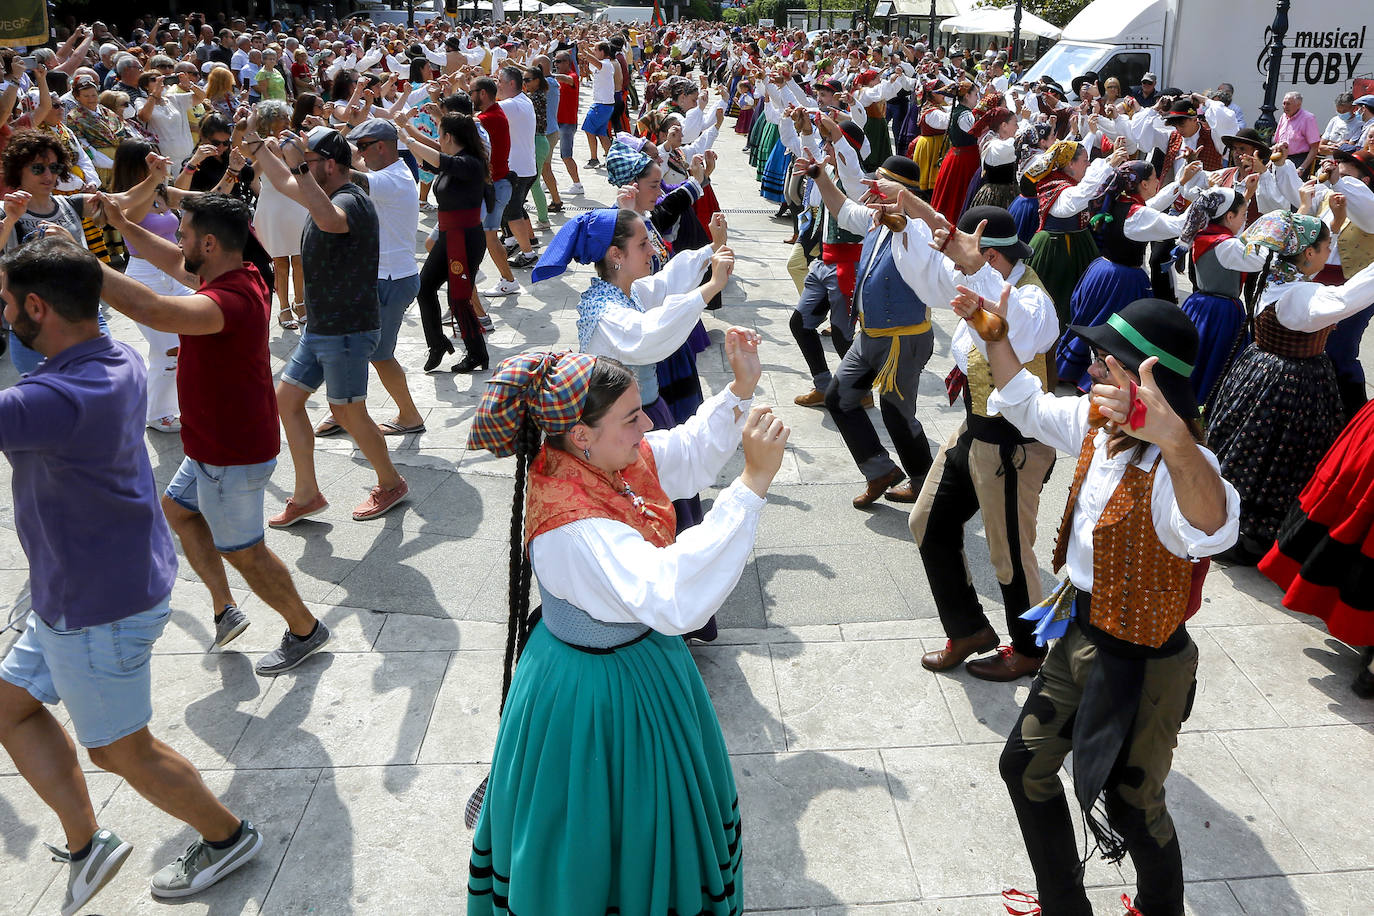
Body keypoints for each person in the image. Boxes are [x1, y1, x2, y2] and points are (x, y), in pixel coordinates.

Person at [463, 333, 785, 915]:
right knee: (604, 812)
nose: (644, 430)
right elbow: (669, 593)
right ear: (581, 434)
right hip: (595, 692)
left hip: (636, 665)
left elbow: (679, 452)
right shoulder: (574, 526)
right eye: (631, 418)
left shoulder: (599, 458)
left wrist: (738, 388)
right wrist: (751, 486)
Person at [0, 237, 263, 916]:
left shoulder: (52, 398)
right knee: (10, 705)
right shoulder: (113, 357)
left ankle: (227, 836)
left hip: (95, 607)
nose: (2, 314)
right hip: (92, 585)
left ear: (36, 306)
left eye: (6, 302)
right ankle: (89, 843)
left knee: (122, 751)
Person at [983, 292, 1239, 916]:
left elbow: (1215, 525)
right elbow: (1028, 405)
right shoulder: (1099, 427)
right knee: (1025, 768)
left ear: (1145, 378)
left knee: (1132, 803)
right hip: (1079, 631)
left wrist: (1174, 440)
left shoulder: (1184, 464)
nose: (1090, 367)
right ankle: (1066, 906)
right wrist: (989, 331)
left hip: (1143, 662)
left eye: (1106, 360)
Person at [901, 206, 1059, 682]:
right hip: (975, 431)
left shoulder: (1033, 298)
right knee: (927, 522)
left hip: (1013, 445)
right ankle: (968, 629)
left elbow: (1024, 334)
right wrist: (906, 215)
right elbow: (927, 282)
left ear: (989, 254)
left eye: (966, 255)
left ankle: (1030, 650)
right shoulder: (981, 277)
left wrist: (978, 270)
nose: (955, 264)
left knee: (1009, 552)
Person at [256, 125, 409, 524]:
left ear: (328, 164)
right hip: (321, 328)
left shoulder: (351, 200)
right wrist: (256, 143)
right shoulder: (320, 190)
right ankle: (306, 493)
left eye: (307, 162)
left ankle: (391, 483)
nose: (299, 169)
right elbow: (281, 179)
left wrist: (299, 170)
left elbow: (330, 221)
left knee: (347, 413)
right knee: (287, 403)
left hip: (347, 328)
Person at [1208, 211, 1374, 565]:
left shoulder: (1273, 277)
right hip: (1291, 386)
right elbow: (1343, 301)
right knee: (1280, 459)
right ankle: (1256, 537)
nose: (1331, 251)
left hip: (1258, 371)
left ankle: (1229, 520)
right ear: (1308, 254)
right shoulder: (1301, 296)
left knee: (1248, 449)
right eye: (1326, 245)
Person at [317, 118, 427, 431]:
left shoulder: (391, 180)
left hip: (390, 281)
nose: (360, 154)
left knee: (378, 353)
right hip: (380, 278)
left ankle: (408, 416)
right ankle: (344, 410)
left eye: (364, 147)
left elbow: (341, 175)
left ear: (381, 146)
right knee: (355, 347)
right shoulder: (388, 172)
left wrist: (309, 159)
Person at [0, 129, 108, 375]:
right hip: (32, 327)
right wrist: (9, 220)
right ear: (19, 170)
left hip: (82, 317)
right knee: (46, 407)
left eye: (55, 167)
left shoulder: (69, 203)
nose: (48, 175)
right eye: (38, 168)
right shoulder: (4, 210)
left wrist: (158, 180)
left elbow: (127, 201)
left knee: (98, 391)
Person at [397, 109, 492, 374]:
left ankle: (477, 353)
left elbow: (437, 157)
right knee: (424, 287)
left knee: (458, 297)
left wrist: (405, 138)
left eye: (439, 135)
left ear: (448, 136)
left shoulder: (470, 162)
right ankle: (437, 343)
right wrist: (406, 131)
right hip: (449, 235)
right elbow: (430, 159)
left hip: (466, 238)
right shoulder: (455, 158)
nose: (438, 140)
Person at [1174, 186, 1267, 403]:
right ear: (1229, 216)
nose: (1245, 219)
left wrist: (1248, 192)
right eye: (1243, 215)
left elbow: (1237, 236)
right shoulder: (1228, 245)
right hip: (1221, 312)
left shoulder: (1204, 235)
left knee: (1196, 357)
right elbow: (1259, 260)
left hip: (1198, 306)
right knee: (1216, 363)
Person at [1024, 140, 1119, 326]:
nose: (1089, 164)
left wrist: (1108, 162)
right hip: (1056, 251)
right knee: (1059, 300)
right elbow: (1080, 197)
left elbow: (1088, 188)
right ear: (1070, 164)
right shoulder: (1057, 186)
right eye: (1085, 160)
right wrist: (1107, 165)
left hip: (1079, 244)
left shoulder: (1069, 182)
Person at [244, 99, 309, 329]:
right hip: (273, 206)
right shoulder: (258, 144)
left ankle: (300, 302)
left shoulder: (291, 139)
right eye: (281, 116)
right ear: (270, 120)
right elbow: (251, 175)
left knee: (299, 259)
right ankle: (283, 308)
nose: (286, 120)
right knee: (280, 261)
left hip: (296, 204)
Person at [1275, 91, 1321, 173]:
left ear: (1298, 105)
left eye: (1288, 104)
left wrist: (1302, 168)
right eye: (1284, 103)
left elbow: (1314, 148)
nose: (1285, 106)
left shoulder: (1308, 118)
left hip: (1298, 160)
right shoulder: (1283, 117)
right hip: (1281, 157)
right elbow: (1277, 141)